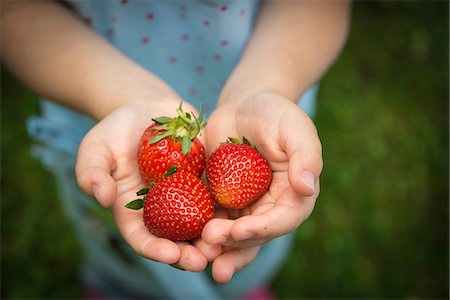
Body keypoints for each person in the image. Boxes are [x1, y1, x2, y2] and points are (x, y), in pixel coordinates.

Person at [1, 0, 351, 299]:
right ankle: (117, 285)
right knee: (113, 239)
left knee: (246, 235)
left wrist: (265, 84)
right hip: (95, 107)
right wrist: (121, 96)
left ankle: (241, 287)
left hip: (260, 92)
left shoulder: (245, 158)